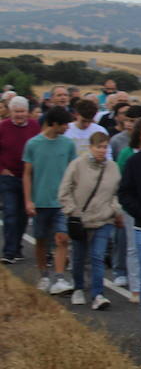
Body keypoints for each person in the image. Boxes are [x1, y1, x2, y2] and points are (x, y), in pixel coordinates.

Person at [58, 129, 121, 309]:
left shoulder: (113, 168)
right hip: (81, 219)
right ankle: (78, 287)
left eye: (105, 147)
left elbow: (117, 192)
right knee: (78, 256)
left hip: (103, 219)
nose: (102, 150)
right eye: (99, 147)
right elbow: (65, 190)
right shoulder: (77, 165)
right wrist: (72, 211)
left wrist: (114, 209)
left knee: (97, 256)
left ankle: (98, 294)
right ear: (91, 147)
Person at [23, 106, 76, 294]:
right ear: (54, 124)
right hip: (40, 201)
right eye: (64, 124)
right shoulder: (32, 144)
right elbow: (27, 174)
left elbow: (73, 172)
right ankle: (44, 275)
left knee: (62, 238)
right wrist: (28, 200)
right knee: (41, 240)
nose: (67, 127)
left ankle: (59, 278)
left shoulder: (68, 144)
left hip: (61, 202)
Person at [0, 96, 41, 264]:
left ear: (27, 112)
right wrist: (2, 169)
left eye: (22, 111)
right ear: (10, 112)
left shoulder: (34, 126)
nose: (19, 115)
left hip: (28, 177)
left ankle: (17, 247)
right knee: (10, 213)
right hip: (8, 177)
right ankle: (9, 252)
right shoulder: (3, 127)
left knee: (23, 215)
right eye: (16, 112)